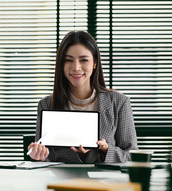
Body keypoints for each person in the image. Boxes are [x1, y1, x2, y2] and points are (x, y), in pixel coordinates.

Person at [28, 31, 138, 163]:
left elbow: (132, 156)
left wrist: (106, 149)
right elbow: (44, 158)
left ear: (95, 63)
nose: (76, 67)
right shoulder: (46, 105)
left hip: (104, 182)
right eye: (68, 60)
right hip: (59, 181)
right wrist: (38, 156)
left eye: (84, 60)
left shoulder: (118, 102)